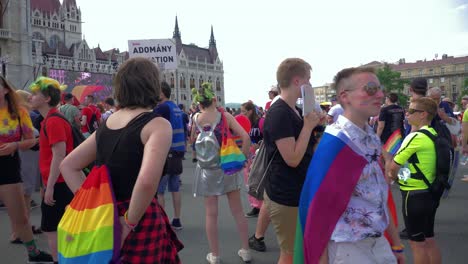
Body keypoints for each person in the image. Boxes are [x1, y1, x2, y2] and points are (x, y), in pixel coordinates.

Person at [60, 57, 183, 263]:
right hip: (139, 216)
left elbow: (68, 166)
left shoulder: (109, 122)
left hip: (103, 217)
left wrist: (96, 205)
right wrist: (128, 223)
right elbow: (146, 181)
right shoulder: (158, 124)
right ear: (153, 85)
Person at [295, 67, 404, 264]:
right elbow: (318, 211)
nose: (380, 95)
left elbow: (379, 195)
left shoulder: (370, 136)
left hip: (378, 242)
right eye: (370, 89)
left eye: (380, 89)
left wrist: (395, 244)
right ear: (345, 97)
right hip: (348, 248)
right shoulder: (335, 143)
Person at [263, 58, 322, 264]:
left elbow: (305, 149)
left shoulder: (293, 110)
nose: (311, 85)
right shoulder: (279, 113)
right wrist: (307, 127)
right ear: (297, 81)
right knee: (290, 253)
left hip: (294, 190)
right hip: (286, 194)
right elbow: (293, 159)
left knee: (296, 251)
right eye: (308, 80)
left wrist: (314, 128)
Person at [190, 82, 252, 264]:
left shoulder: (196, 118)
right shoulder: (225, 117)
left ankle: (215, 255)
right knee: (238, 211)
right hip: (228, 167)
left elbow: (192, 140)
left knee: (211, 214)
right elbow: (246, 137)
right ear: (214, 100)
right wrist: (242, 158)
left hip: (207, 171)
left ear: (199, 103)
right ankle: (245, 250)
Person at [0, 75, 53, 262]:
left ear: (6, 89)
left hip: (8, 168)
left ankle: (33, 252)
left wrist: (15, 146)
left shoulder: (19, 112)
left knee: (20, 217)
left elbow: (32, 140)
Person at [387, 97, 441, 264]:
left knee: (417, 244)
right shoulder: (432, 133)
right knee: (429, 239)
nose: (406, 114)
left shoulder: (415, 137)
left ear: (423, 114)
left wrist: (392, 177)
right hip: (430, 192)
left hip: (413, 193)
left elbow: (394, 166)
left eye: (411, 111)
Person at [29, 77, 75, 263]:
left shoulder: (53, 121)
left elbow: (59, 155)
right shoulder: (50, 119)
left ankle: (59, 260)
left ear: (47, 98)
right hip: (58, 181)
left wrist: (50, 186)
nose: (31, 98)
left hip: (60, 183)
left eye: (34, 94)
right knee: (56, 226)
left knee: (52, 227)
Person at [154, 81, 186, 230]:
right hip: (179, 150)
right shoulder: (175, 107)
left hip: (167, 151)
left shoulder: (162, 108)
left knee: (160, 190)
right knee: (175, 188)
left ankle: (163, 222)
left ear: (161, 93)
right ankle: (177, 219)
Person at [241, 101, 264, 218]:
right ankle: (255, 205)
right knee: (249, 182)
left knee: (257, 181)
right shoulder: (244, 123)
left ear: (250, 111)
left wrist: (259, 144)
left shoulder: (260, 122)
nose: (242, 114)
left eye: (244, 111)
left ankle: (260, 206)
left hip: (259, 156)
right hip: (248, 156)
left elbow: (269, 136)